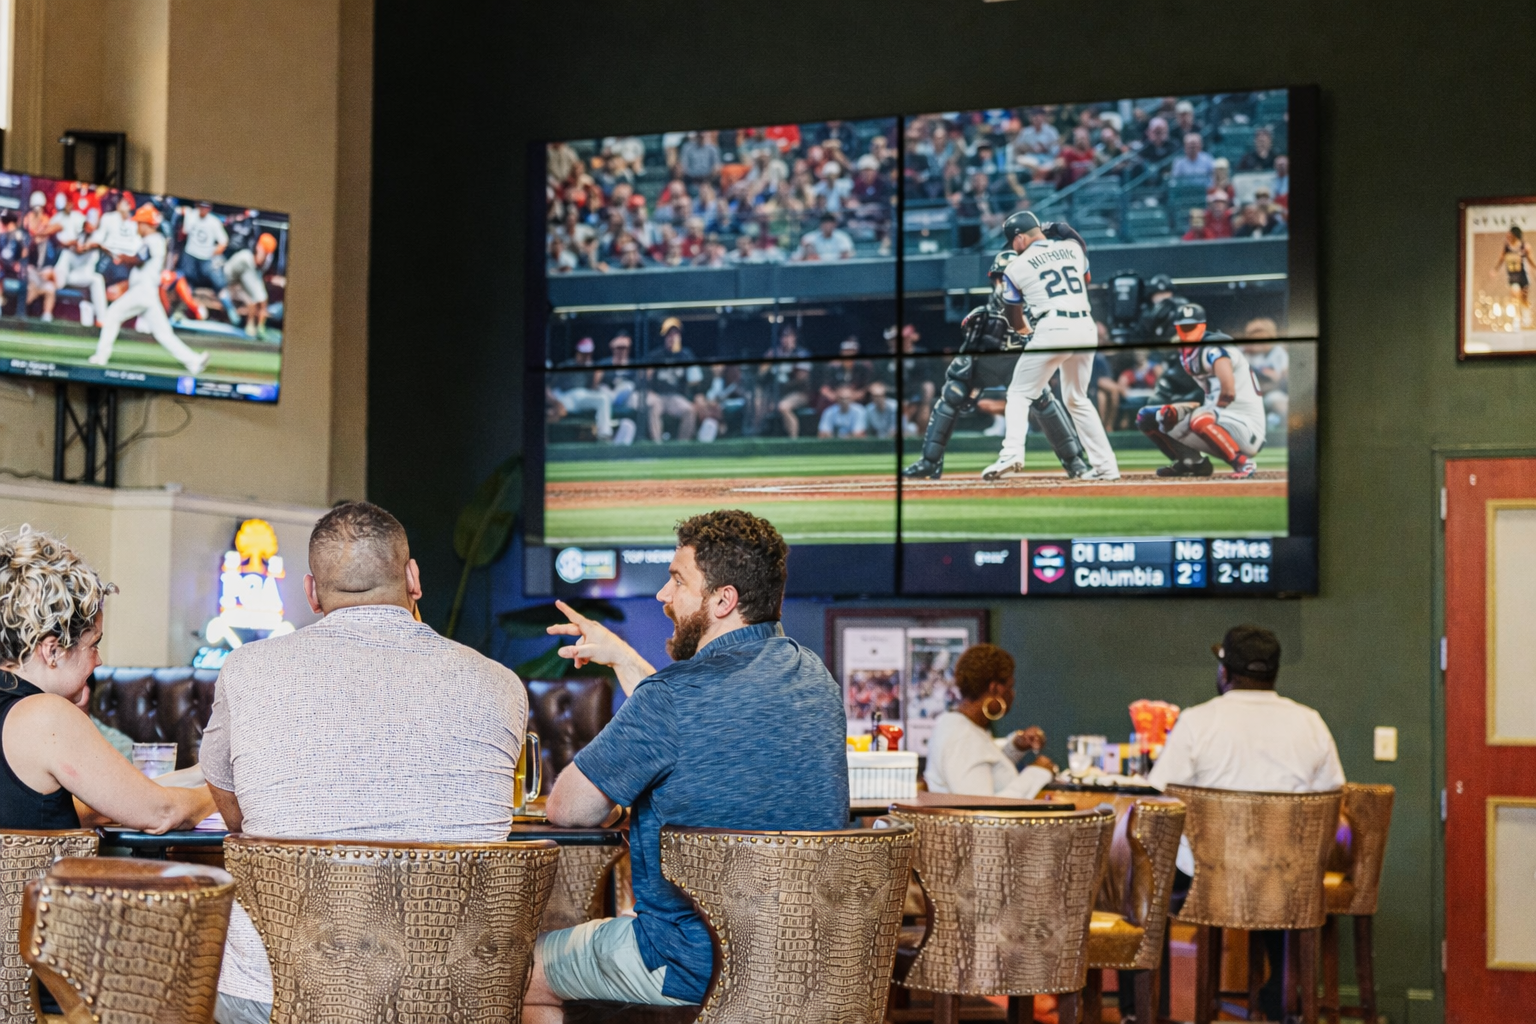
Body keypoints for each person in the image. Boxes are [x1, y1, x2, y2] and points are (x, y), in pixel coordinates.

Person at [202, 501, 528, 1024]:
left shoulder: (245, 670)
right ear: (413, 578)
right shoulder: (498, 683)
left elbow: (234, 812)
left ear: (310, 592)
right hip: (449, 997)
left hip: (275, 994)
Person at [524, 510, 847, 1021]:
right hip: (807, 960)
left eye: (677, 580)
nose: (662, 595)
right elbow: (699, 714)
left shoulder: (671, 698)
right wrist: (625, 659)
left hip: (690, 963)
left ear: (723, 600)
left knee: (522, 973)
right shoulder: (815, 679)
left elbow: (571, 810)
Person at [1148, 624, 1344, 1023]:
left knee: (1148, 880)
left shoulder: (1197, 722)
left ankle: (1151, 1012)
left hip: (1209, 883)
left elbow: (1161, 801)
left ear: (1225, 672)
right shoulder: (1310, 722)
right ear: (1274, 673)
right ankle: (1279, 995)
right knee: (1275, 874)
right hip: (1288, 883)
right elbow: (1333, 802)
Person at [0, 526, 214, 837]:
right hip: (36, 887)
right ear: (53, 650)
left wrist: (199, 776)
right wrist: (225, 795)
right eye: (94, 644)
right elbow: (162, 812)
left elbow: (91, 804)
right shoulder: (45, 715)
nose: (98, 660)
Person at [987, 211, 1120, 482]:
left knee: (1019, 393)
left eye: (1013, 242)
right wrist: (1062, 228)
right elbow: (1085, 276)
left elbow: (1014, 313)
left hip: (1053, 327)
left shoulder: (1016, 266)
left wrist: (1024, 330)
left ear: (1021, 238)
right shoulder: (1071, 248)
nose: (1013, 247)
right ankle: (1107, 468)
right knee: (1077, 399)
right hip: (1086, 327)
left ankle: (1011, 452)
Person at [1136, 303, 1265, 479]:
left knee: (1199, 419)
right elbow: (1209, 392)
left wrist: (1201, 410)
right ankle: (1191, 462)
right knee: (1150, 416)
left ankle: (1242, 463)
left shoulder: (1213, 347)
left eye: (1191, 326)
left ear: (1202, 326)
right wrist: (1185, 408)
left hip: (1246, 425)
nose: (1187, 331)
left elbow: (1228, 392)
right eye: (1183, 327)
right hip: (1220, 420)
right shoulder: (1188, 352)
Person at [88, 205, 211, 374]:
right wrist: (116, 255)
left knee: (111, 315)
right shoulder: (153, 240)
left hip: (142, 291)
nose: (137, 227)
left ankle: (100, 358)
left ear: (147, 224)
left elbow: (138, 259)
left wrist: (115, 253)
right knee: (164, 334)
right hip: (147, 293)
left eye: (139, 223)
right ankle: (194, 361)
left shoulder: (153, 240)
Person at [924, 643, 1055, 798]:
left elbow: (986, 772)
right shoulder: (963, 738)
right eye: (1010, 687)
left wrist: (1015, 748)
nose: (1012, 694)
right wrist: (1037, 772)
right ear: (995, 689)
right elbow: (982, 810)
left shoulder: (958, 725)